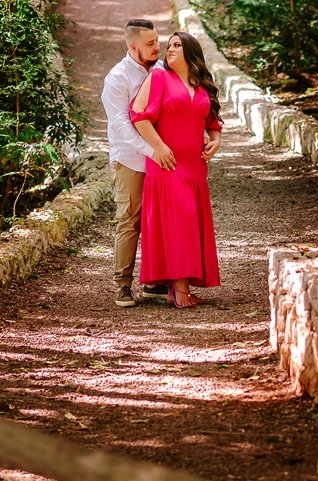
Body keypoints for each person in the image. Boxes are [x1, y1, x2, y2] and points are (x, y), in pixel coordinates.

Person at [129, 31, 222, 308]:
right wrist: (158, 147)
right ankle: (179, 288)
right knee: (181, 220)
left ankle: (183, 287)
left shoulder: (203, 88)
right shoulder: (159, 77)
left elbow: (213, 125)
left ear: (191, 52)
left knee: (190, 224)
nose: (169, 49)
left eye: (177, 45)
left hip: (196, 167)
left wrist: (215, 141)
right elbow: (138, 114)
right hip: (166, 163)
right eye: (168, 45)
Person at [100, 18, 170, 308]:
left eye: (157, 41)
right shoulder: (117, 77)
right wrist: (151, 150)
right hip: (130, 159)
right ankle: (123, 285)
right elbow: (120, 124)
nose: (158, 47)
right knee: (130, 220)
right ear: (133, 46)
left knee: (159, 221)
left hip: (161, 158)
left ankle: (154, 282)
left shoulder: (163, 69)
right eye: (150, 43)